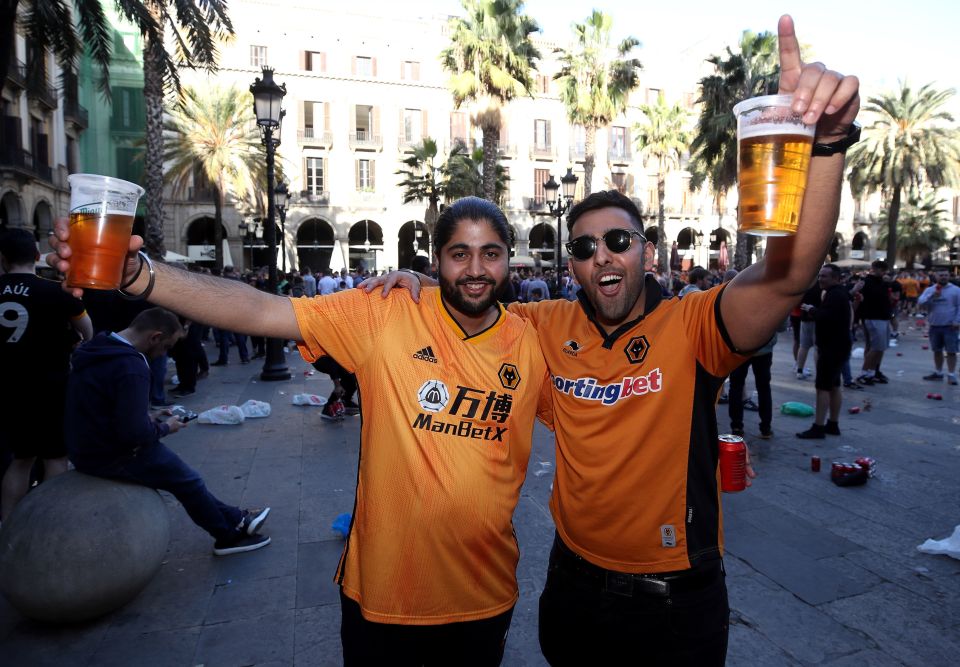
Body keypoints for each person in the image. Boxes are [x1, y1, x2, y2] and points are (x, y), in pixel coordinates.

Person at [366, 17, 857, 664]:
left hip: (675, 603)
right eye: (584, 247)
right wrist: (421, 284)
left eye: (619, 241)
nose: (603, 256)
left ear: (645, 251)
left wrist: (825, 145)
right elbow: (472, 309)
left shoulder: (692, 325)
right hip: (573, 588)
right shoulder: (542, 329)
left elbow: (790, 274)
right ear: (570, 263)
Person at [51, 197, 549, 666]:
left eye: (491, 253)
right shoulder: (384, 313)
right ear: (437, 258)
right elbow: (258, 309)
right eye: (459, 254)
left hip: (485, 594)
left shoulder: (531, 340)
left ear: (510, 257)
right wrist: (141, 276)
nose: (477, 269)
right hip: (382, 594)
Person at [64, 307, 271, 555]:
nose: (164, 353)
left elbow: (104, 406)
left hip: (86, 444)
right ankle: (226, 537)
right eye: (165, 347)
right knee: (187, 481)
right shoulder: (132, 366)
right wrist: (165, 427)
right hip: (112, 452)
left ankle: (236, 518)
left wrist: (148, 416)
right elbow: (134, 435)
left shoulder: (99, 347)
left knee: (185, 478)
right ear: (155, 337)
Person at [0, 229, 93, 521]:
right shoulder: (55, 292)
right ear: (38, 256)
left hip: (8, 387)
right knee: (55, 457)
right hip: (51, 385)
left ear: (3, 260)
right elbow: (87, 330)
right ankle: (50, 525)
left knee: (20, 459)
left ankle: (8, 524)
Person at [796, 264, 852, 438]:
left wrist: (811, 309)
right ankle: (833, 424)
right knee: (834, 386)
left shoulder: (835, 295)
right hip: (839, 346)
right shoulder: (839, 293)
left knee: (823, 388)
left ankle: (819, 426)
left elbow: (825, 317)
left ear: (836, 278)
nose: (820, 279)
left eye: (824, 276)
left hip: (831, 348)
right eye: (820, 276)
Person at [851, 259, 892, 385]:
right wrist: (856, 320)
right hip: (873, 318)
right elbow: (858, 300)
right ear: (877, 270)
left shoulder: (881, 282)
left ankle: (872, 372)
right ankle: (864, 373)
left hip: (882, 318)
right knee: (875, 348)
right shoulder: (866, 282)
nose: (885, 273)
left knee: (879, 347)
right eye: (883, 270)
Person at [918, 270, 960, 385]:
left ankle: (951, 375)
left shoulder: (956, 290)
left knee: (951, 351)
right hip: (935, 325)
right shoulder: (930, 290)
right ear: (936, 276)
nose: (944, 277)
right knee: (937, 350)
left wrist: (957, 321)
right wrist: (932, 296)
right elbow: (920, 302)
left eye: (946, 275)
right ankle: (938, 372)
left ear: (949, 276)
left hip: (950, 326)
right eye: (941, 275)